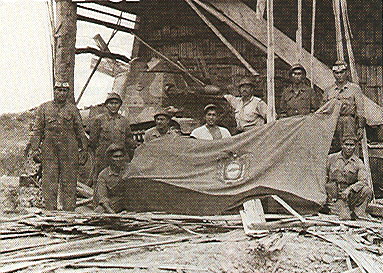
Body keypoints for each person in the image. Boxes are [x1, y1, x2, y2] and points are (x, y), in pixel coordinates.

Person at [29, 82, 88, 211]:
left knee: (69, 183)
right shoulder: (44, 108)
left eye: (64, 91)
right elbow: (37, 130)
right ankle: (51, 213)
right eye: (59, 90)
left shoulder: (72, 109)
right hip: (50, 151)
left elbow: (80, 131)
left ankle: (68, 214)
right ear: (54, 91)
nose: (61, 93)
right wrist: (35, 149)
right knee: (50, 183)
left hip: (69, 151)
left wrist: (84, 150)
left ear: (67, 93)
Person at [88, 92, 137, 188]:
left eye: (116, 103)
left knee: (120, 180)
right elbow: (93, 141)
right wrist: (99, 153)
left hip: (120, 156)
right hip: (103, 157)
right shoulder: (99, 120)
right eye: (111, 103)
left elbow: (128, 138)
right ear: (106, 105)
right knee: (100, 180)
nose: (113, 106)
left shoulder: (124, 121)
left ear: (120, 105)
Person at [322, 61, 365, 152]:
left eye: (342, 72)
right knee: (332, 150)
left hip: (348, 122)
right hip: (332, 123)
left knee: (349, 149)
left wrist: (361, 127)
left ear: (347, 73)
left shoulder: (354, 89)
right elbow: (323, 109)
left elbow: (360, 109)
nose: (339, 75)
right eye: (336, 73)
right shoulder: (329, 90)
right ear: (333, 74)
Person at [325, 136, 372, 220]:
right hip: (335, 196)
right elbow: (323, 177)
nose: (349, 148)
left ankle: (358, 213)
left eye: (352, 145)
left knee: (367, 190)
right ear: (342, 145)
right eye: (346, 144)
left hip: (350, 195)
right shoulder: (331, 158)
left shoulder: (358, 162)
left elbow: (363, 181)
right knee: (345, 217)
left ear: (355, 146)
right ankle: (342, 211)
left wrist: (349, 189)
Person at [94, 144, 129, 213]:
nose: (119, 159)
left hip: (130, 201)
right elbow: (103, 197)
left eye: (121, 156)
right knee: (99, 211)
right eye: (115, 157)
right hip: (114, 202)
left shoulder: (130, 169)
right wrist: (111, 212)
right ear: (109, 158)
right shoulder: (103, 175)